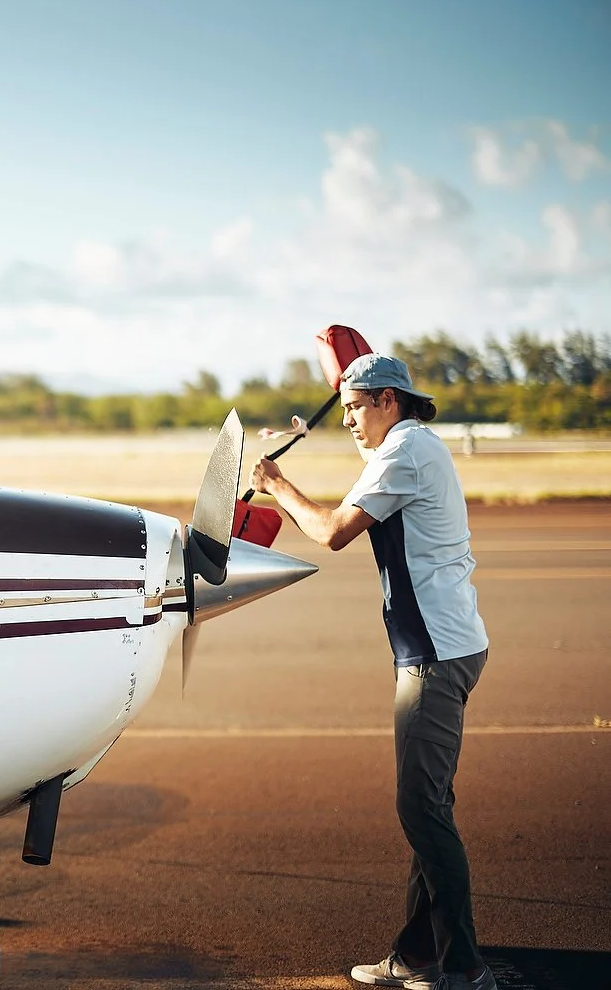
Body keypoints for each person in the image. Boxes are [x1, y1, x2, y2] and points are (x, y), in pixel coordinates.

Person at [248, 353, 494, 990]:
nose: (350, 420)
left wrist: (275, 482)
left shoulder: (406, 454)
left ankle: (464, 969)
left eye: (357, 407)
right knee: (427, 806)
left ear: (389, 400)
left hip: (435, 657)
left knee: (422, 812)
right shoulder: (412, 446)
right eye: (347, 407)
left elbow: (331, 531)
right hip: (442, 647)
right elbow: (372, 475)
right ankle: (417, 957)